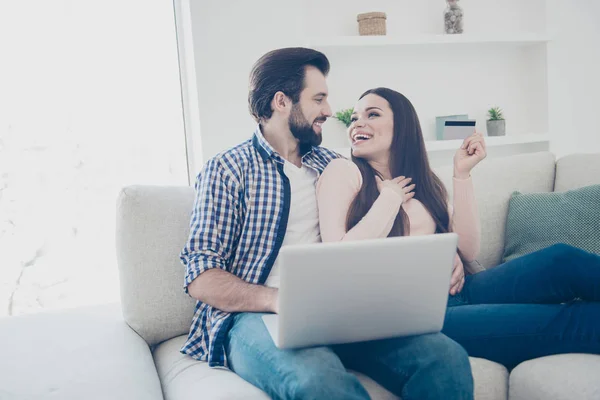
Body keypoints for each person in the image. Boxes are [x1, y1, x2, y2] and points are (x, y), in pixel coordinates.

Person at [180, 49, 474, 400]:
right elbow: (200, 275)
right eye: (319, 99)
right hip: (255, 315)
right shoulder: (229, 169)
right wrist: (278, 298)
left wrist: (447, 254)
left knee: (445, 358)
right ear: (281, 101)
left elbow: (385, 225)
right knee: (319, 380)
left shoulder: (332, 165)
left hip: (344, 310)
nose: (330, 112)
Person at [316, 87, 600, 370]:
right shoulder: (343, 172)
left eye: (372, 114)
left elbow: (467, 247)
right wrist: (389, 199)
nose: (357, 124)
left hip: (461, 291)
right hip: (416, 315)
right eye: (354, 118)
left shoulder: (422, 180)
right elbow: (338, 256)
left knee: (561, 260)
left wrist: (461, 175)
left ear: (402, 126)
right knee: (567, 321)